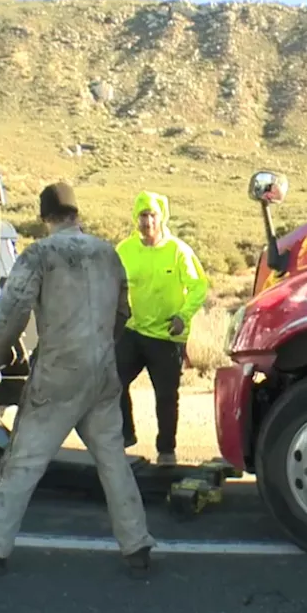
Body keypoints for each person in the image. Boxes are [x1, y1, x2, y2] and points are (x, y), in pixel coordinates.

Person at [0, 181, 157, 578]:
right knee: (113, 462)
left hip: (59, 374)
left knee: (22, 461)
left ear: (45, 218)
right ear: (77, 214)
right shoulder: (107, 253)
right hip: (104, 373)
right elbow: (123, 312)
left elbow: (11, 316)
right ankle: (137, 546)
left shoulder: (41, 254)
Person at [115, 190, 209, 467]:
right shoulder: (125, 249)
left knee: (166, 397)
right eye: (143, 215)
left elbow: (198, 286)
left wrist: (183, 315)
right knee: (112, 382)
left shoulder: (178, 251)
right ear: (136, 218)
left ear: (162, 217)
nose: (147, 221)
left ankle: (166, 451)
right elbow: (111, 283)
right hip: (134, 330)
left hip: (167, 335)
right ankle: (124, 436)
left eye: (152, 215)